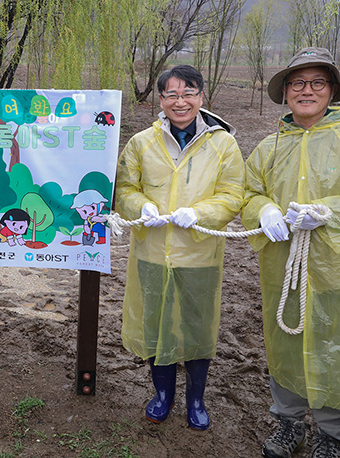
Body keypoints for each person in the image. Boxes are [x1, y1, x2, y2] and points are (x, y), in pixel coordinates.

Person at [242, 47, 340, 458]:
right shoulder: (269, 147)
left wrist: (330, 213)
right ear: (285, 91)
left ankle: (333, 435)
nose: (306, 91)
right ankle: (289, 423)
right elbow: (248, 192)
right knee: (286, 343)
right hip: (284, 270)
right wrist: (264, 210)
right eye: (298, 83)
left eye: (317, 82)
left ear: (332, 90)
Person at [114, 64, 244, 431]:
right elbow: (125, 189)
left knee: (197, 329)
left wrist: (200, 213)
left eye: (188, 93)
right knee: (157, 326)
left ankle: (196, 400)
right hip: (152, 253)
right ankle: (163, 395)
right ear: (160, 100)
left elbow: (233, 194)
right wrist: (142, 207)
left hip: (199, 255)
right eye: (171, 94)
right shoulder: (142, 142)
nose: (180, 101)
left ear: (202, 97)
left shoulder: (223, 144)